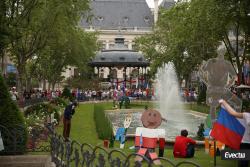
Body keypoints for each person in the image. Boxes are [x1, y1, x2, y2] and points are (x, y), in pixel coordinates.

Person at [219, 99, 250, 167]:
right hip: (245, 143)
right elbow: (233, 113)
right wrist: (224, 102)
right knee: (243, 163)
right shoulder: (247, 115)